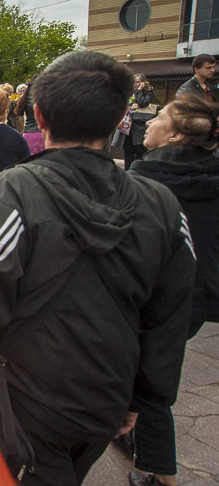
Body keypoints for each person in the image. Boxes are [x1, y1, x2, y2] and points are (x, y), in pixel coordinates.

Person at [0, 50, 195, 486]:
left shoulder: (14, 193)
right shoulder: (161, 205)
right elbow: (171, 313)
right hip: (108, 395)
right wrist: (143, 396)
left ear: (38, 114)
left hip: (26, 399)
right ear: (120, 117)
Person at [126, 94, 219, 486]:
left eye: (160, 117)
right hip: (201, 296)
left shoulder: (145, 180)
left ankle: (161, 475)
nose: (149, 121)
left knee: (148, 378)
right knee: (155, 368)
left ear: (178, 136)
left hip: (153, 296)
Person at [120, 73, 158, 170]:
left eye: (138, 82)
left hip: (140, 127)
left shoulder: (148, 92)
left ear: (143, 83)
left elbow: (143, 102)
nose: (135, 84)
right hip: (128, 126)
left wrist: (139, 91)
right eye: (134, 82)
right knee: (128, 152)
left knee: (139, 153)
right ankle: (128, 172)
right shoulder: (127, 92)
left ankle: (138, 172)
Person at [15, 76, 44, 154]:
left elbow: (19, 111)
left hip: (27, 133)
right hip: (42, 133)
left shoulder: (25, 96)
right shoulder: (43, 95)